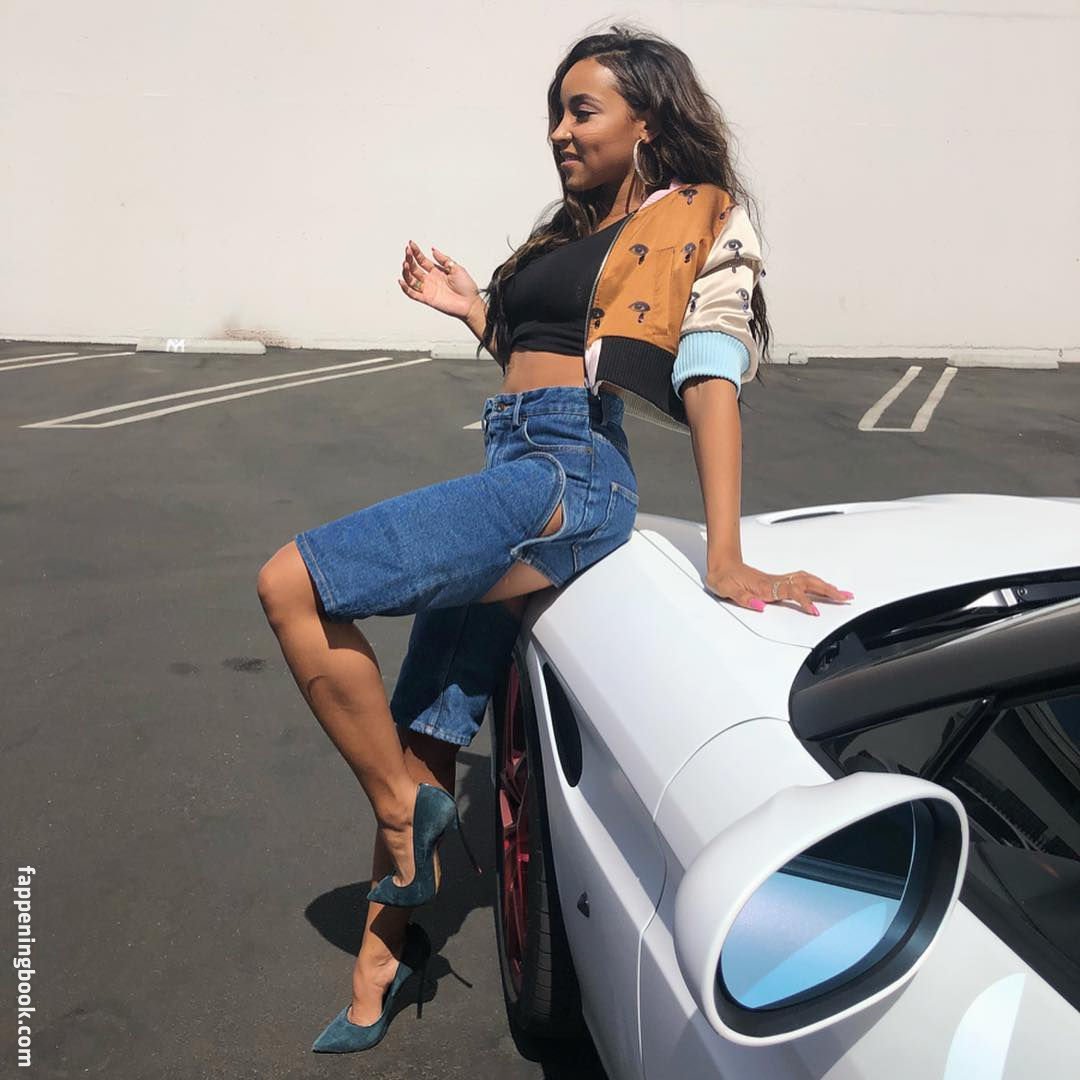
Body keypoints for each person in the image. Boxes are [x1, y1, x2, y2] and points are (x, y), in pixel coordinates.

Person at [256, 24, 853, 1055]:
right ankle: (382, 960)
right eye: (555, 113)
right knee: (428, 726)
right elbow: (533, 346)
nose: (560, 132)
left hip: (569, 477)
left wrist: (725, 555)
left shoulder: (701, 214)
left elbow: (711, 369)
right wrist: (471, 308)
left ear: (648, 119)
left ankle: (403, 821)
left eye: (583, 111)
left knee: (290, 583)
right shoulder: (565, 227)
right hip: (515, 459)